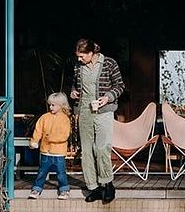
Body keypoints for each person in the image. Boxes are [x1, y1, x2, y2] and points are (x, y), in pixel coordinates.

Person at [69, 38, 124, 203]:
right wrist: (73, 92)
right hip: (84, 111)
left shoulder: (109, 63)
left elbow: (120, 86)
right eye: (78, 56)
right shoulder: (78, 67)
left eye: (82, 56)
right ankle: (93, 188)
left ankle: (107, 184)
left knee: (101, 148)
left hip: (103, 111)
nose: (79, 59)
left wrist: (108, 97)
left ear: (91, 53)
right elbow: (74, 85)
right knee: (86, 151)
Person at [28, 92, 73, 199]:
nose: (50, 107)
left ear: (61, 105)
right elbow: (38, 130)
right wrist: (34, 141)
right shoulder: (44, 117)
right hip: (45, 151)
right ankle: (37, 188)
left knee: (61, 173)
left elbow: (64, 135)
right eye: (50, 104)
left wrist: (50, 138)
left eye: (53, 105)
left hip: (58, 152)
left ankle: (64, 190)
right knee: (42, 172)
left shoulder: (65, 119)